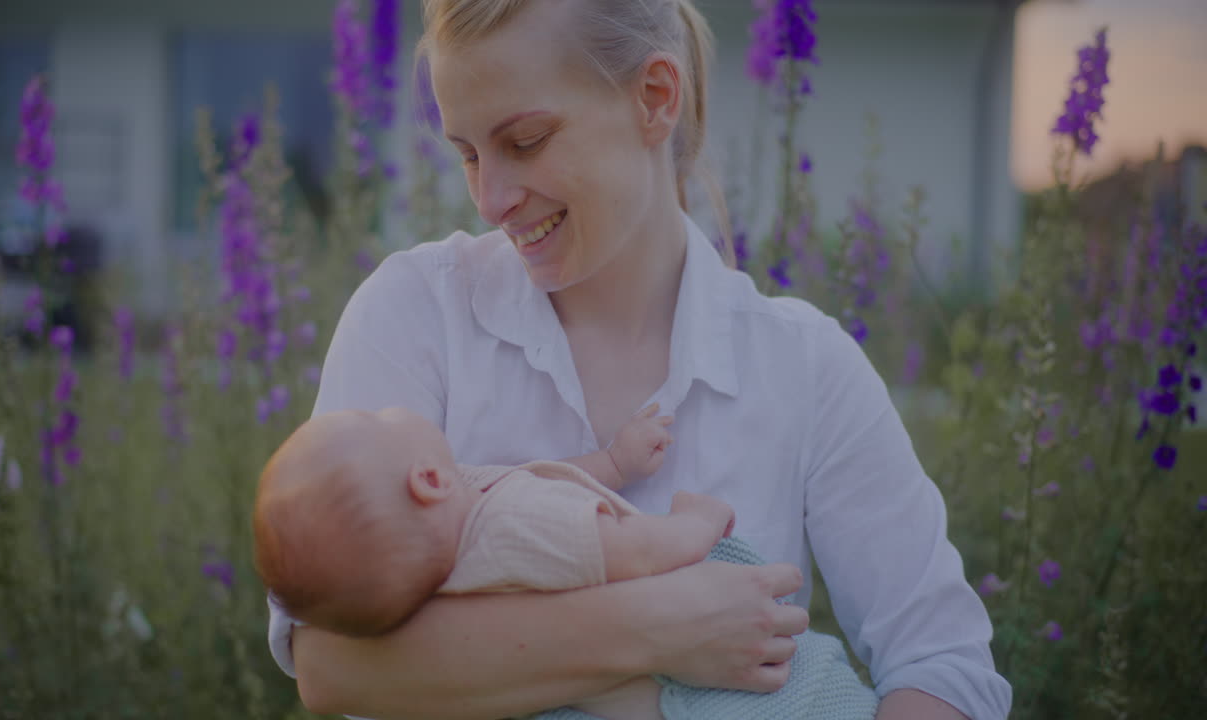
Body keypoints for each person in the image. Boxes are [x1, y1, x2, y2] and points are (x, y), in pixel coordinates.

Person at [266, 1, 1013, 718]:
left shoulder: (805, 365)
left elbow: (941, 664)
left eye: (524, 142)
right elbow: (329, 663)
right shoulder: (413, 313)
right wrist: (656, 626)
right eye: (466, 153)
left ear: (655, 97)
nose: (489, 199)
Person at [255, 407, 879, 720]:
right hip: (722, 692)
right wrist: (696, 517)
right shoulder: (518, 530)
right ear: (425, 479)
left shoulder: (452, 558)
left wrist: (613, 462)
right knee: (822, 695)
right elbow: (639, 552)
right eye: (380, 418)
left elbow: (538, 484)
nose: (390, 409)